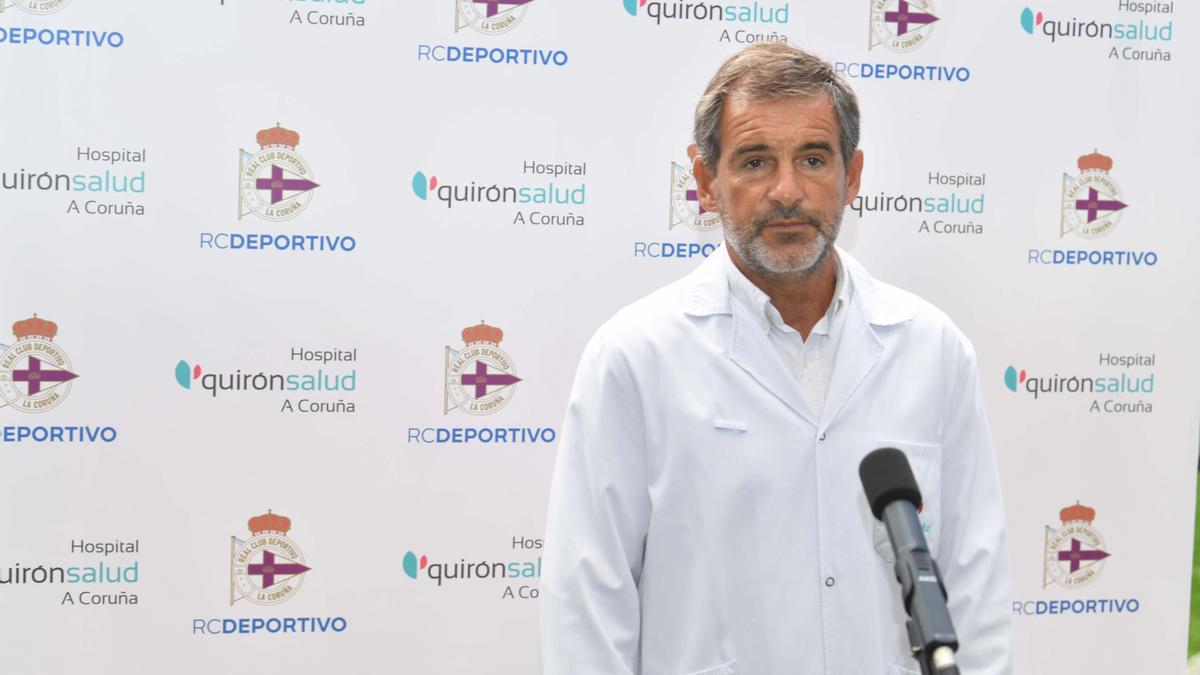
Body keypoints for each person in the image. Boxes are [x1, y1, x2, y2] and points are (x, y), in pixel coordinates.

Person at [540, 43, 1012, 675]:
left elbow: (975, 590)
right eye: (756, 161)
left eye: (814, 159)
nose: (787, 191)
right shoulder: (635, 357)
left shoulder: (932, 348)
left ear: (854, 174)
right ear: (706, 181)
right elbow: (587, 610)